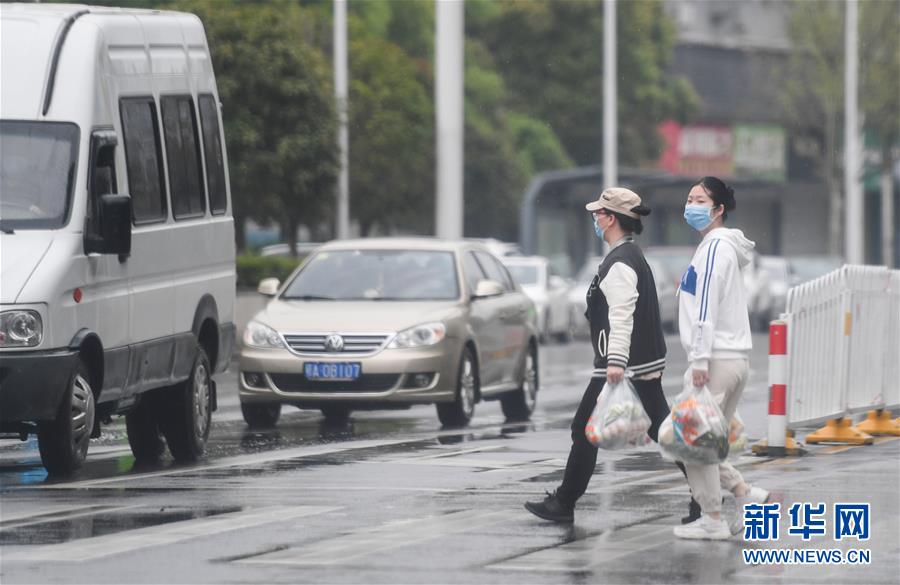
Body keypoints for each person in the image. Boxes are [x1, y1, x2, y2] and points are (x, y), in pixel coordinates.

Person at [524, 187, 689, 523]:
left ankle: (564, 503)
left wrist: (615, 361)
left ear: (611, 219)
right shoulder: (629, 255)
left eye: (598, 213)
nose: (595, 219)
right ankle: (708, 488)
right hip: (638, 362)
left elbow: (621, 315)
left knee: (585, 429)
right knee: (661, 430)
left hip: (624, 365)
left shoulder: (621, 263)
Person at [674, 176, 769, 540]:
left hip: (714, 361)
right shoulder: (719, 247)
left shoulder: (715, 247)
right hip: (732, 361)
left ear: (718, 210)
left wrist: (700, 360)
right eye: (689, 198)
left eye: (699, 200)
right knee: (707, 441)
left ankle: (712, 518)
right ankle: (744, 493)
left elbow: (706, 308)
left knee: (690, 440)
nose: (691, 205)